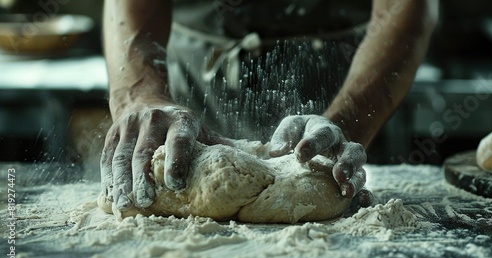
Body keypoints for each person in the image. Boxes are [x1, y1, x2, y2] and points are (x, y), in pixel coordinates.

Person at [100, 0, 438, 212]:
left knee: (337, 188)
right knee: (178, 170)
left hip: (352, 72)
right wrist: (141, 95)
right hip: (194, 76)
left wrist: (346, 120)